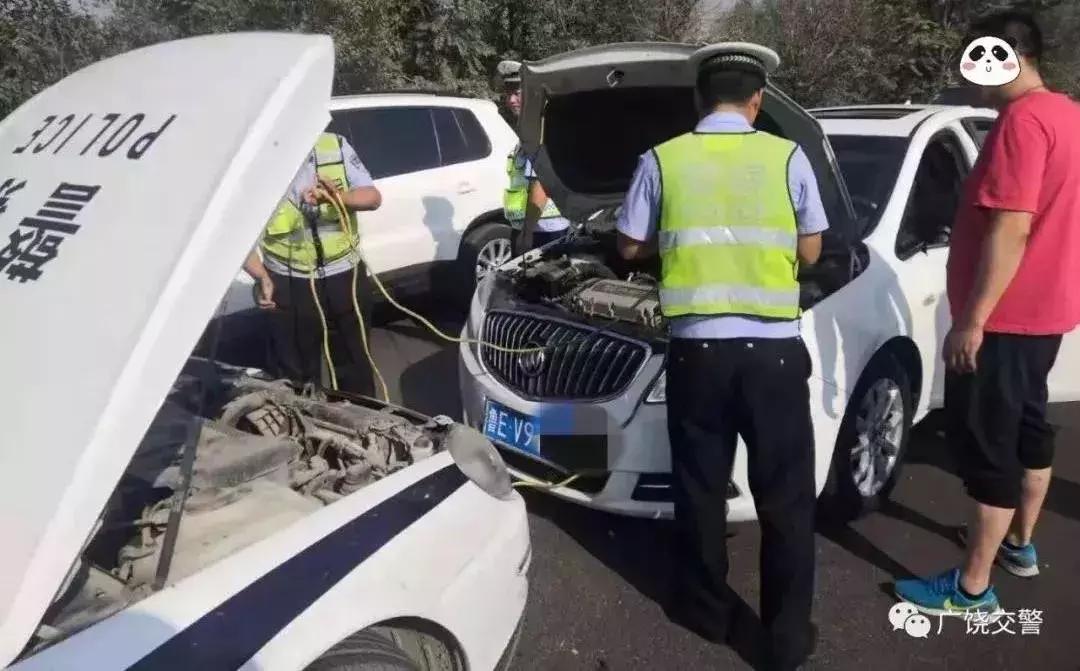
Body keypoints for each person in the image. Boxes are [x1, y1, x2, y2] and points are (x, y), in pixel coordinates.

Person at [616, 44, 827, 671]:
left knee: (700, 487)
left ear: (698, 100)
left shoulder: (663, 158)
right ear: (757, 101)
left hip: (697, 355)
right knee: (785, 498)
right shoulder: (788, 155)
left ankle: (707, 611)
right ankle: (786, 639)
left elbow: (628, 247)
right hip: (774, 355)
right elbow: (813, 249)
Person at [895, 11, 1080, 615]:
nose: (972, 72)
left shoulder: (1022, 124)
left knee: (989, 446)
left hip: (1005, 318)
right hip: (1047, 310)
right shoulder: (1068, 115)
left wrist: (972, 320)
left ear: (1014, 56)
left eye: (981, 57)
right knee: (1028, 428)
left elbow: (1012, 226)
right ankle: (1019, 545)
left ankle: (972, 588)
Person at [243, 131, 383, 395]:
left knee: (354, 365)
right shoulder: (254, 157)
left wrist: (337, 197)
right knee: (295, 373)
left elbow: (372, 197)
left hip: (344, 276)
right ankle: (302, 430)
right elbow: (237, 231)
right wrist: (260, 275)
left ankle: (361, 426)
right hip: (287, 281)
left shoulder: (334, 145)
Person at [495, 59, 571, 253]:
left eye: (517, 93)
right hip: (530, 228)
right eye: (508, 94)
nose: (510, 100)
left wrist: (527, 233)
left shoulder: (541, 130)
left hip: (543, 232)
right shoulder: (527, 132)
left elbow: (541, 185)